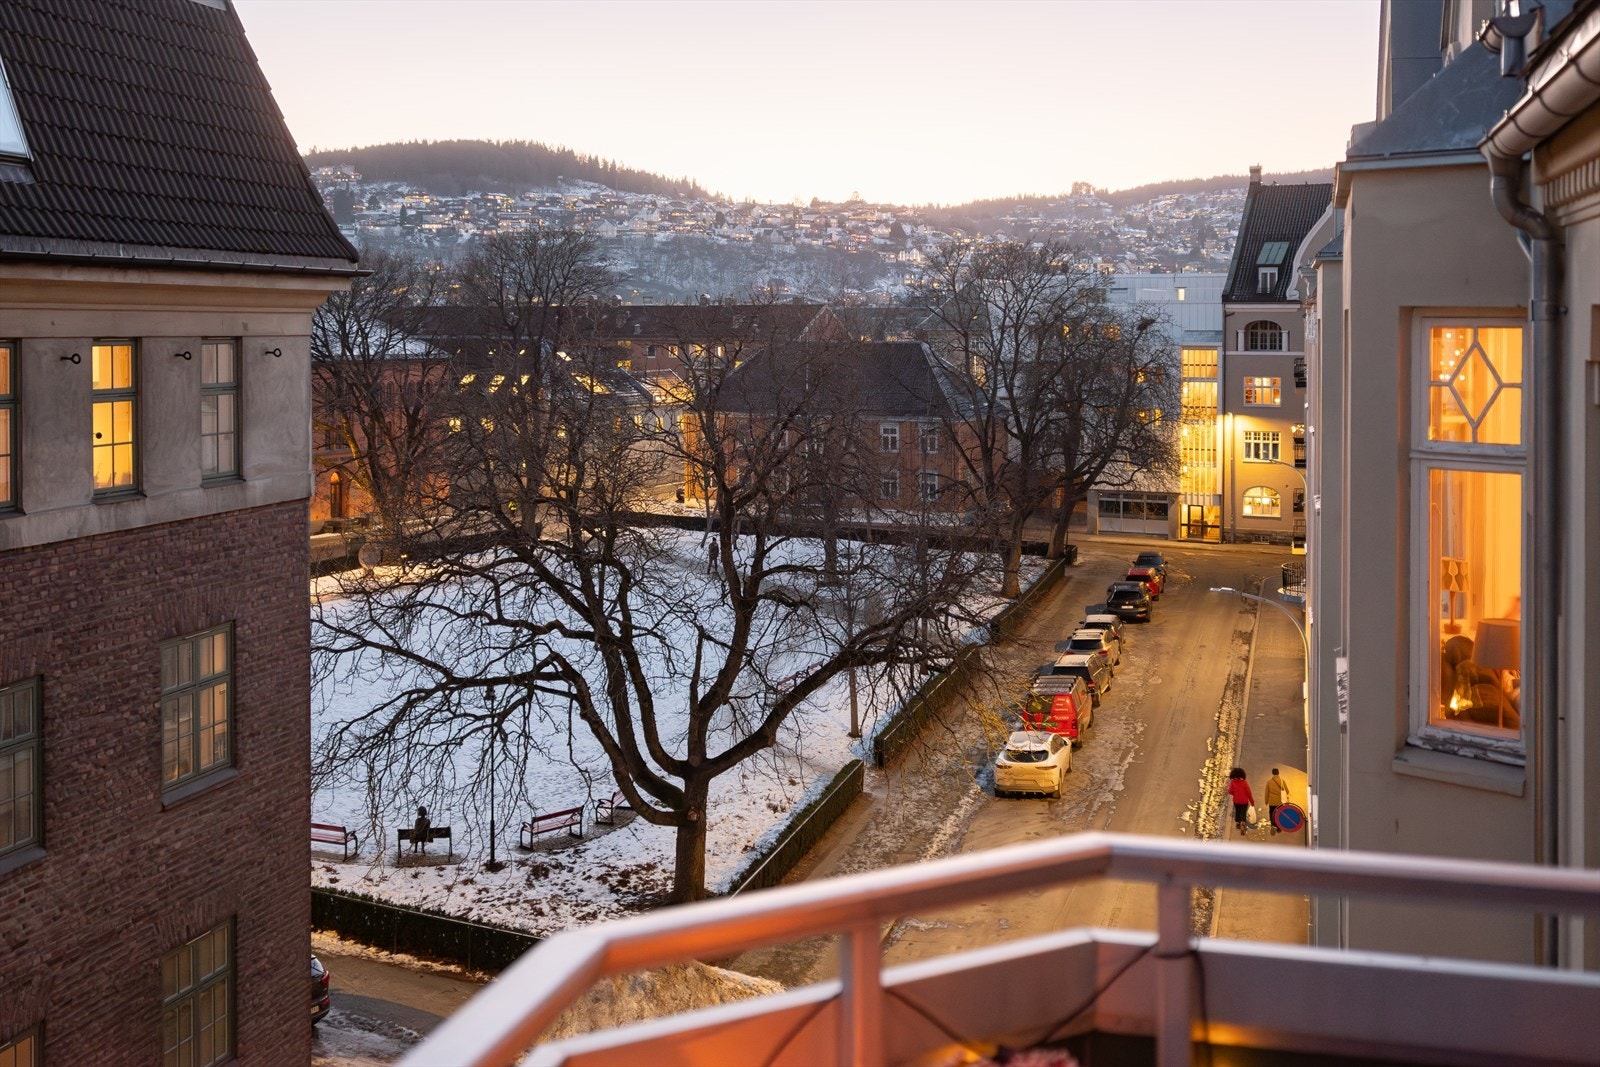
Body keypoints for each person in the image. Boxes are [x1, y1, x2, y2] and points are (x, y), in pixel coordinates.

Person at [1226, 767, 1254, 835]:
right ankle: (1243, 823)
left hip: (1236, 800)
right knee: (1243, 812)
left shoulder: (1233, 782)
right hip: (1244, 801)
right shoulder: (1244, 782)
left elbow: (1230, 791)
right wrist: (1252, 801)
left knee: (1238, 811)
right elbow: (1248, 792)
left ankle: (1238, 823)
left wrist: (1234, 793)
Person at [1265, 768, 1289, 835]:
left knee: (1272, 813)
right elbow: (1287, 791)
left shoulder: (1269, 782)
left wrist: (1266, 801)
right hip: (1280, 802)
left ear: (1272, 773)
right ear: (1278, 773)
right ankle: (1279, 827)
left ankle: (1273, 825)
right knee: (1279, 814)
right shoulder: (1282, 781)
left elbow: (1266, 792)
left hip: (1272, 801)